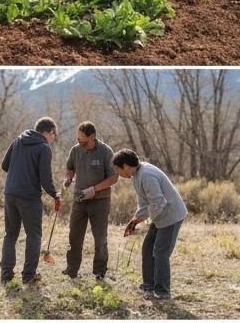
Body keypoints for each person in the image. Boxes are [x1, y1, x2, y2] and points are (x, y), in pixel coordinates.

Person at [111, 149, 188, 300]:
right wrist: (135, 220)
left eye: (118, 170)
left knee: (160, 252)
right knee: (148, 248)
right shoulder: (135, 175)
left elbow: (159, 202)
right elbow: (144, 203)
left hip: (171, 215)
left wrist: (147, 222)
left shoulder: (147, 175)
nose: (118, 173)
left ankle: (163, 290)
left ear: (126, 166)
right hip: (160, 215)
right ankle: (149, 284)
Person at [0, 116, 60, 285]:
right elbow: (45, 179)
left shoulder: (18, 140)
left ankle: (6, 275)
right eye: (53, 135)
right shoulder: (43, 148)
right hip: (29, 197)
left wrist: (19, 171)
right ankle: (28, 275)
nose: (53, 138)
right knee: (34, 235)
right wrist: (56, 194)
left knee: (10, 234)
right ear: (47, 132)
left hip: (10, 193)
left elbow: (4, 166)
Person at [62, 121, 118, 279]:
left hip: (100, 202)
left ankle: (99, 272)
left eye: (82, 139)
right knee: (74, 236)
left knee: (100, 238)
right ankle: (71, 269)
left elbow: (114, 178)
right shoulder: (75, 150)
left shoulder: (106, 152)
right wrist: (68, 178)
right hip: (79, 200)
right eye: (78, 139)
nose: (79, 142)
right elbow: (70, 168)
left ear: (92, 136)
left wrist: (94, 190)